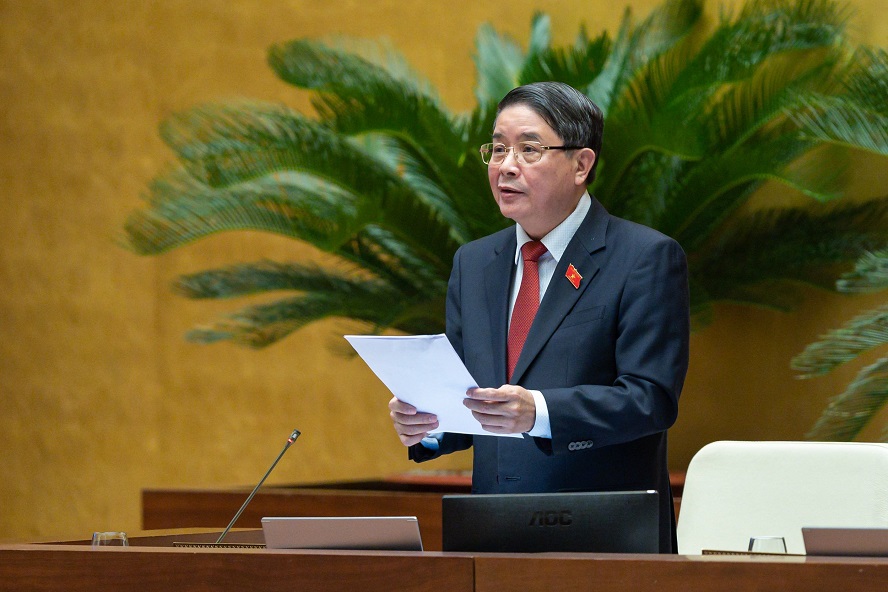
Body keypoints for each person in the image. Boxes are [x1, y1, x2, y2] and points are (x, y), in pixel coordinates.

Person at [388, 81, 690, 553]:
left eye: (529, 149)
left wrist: (539, 412)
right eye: (498, 149)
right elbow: (466, 392)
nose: (506, 166)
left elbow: (650, 399)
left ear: (581, 164)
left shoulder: (643, 257)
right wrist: (429, 425)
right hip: (491, 534)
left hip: (604, 538)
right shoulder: (474, 263)